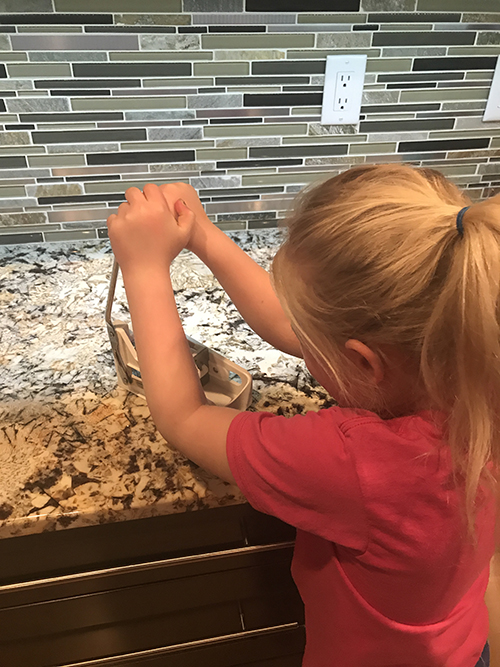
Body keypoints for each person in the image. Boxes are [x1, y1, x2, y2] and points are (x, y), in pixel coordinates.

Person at [107, 163, 499, 667]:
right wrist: (200, 233)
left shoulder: (357, 462)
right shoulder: (476, 368)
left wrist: (143, 268)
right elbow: (297, 326)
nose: (300, 337)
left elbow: (184, 416)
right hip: (464, 648)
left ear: (362, 362)